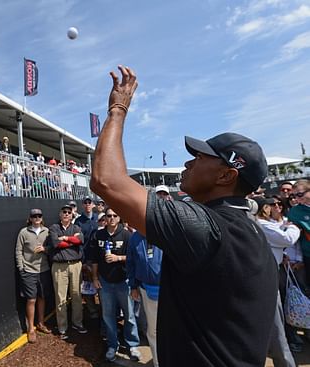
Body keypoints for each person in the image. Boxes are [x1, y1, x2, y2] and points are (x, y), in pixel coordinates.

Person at [90, 65, 278, 366]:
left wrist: (117, 109)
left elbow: (107, 180)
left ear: (226, 176)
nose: (189, 163)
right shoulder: (248, 228)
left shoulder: (209, 227)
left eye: (202, 157)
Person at [254, 196, 299, 366]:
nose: (275, 207)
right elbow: (286, 239)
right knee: (276, 326)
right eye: (271, 205)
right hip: (265, 277)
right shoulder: (261, 224)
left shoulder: (264, 223)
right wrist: (293, 227)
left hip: (269, 272)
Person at [91, 207, 140, 362]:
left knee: (129, 315)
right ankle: (113, 345)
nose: (111, 218)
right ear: (105, 218)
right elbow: (94, 260)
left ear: (120, 218)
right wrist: (94, 278)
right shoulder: (99, 234)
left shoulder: (127, 235)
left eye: (115, 215)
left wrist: (118, 258)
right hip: (105, 282)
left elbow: (134, 258)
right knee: (108, 316)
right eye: (108, 215)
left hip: (123, 281)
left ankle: (132, 345)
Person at [47, 204, 85, 340]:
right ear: (60, 214)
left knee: (77, 295)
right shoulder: (54, 228)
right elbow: (56, 244)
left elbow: (80, 240)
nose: (67, 214)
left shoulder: (77, 228)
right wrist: (71, 242)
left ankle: (77, 323)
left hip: (75, 265)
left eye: (69, 212)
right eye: (64, 212)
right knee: (60, 298)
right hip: (59, 266)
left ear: (72, 214)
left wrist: (66, 238)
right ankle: (62, 327)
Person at [15, 208, 52, 343]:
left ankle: (41, 323)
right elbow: (18, 250)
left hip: (44, 270)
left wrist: (45, 249)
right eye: (34, 216)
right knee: (31, 299)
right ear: (30, 218)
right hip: (29, 272)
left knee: (42, 297)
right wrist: (21, 268)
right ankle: (31, 328)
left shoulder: (47, 231)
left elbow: (53, 248)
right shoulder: (23, 232)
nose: (37, 218)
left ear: (42, 218)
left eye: (39, 215)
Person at [127, 230, 162, 367]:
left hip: (169, 290)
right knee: (153, 330)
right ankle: (158, 362)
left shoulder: (165, 232)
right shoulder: (135, 238)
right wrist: (133, 286)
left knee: (172, 326)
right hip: (146, 288)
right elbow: (130, 263)